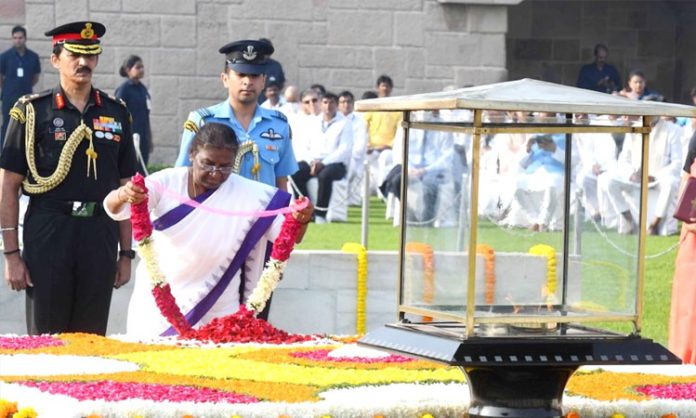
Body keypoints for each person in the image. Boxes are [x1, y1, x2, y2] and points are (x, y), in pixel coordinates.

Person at [105, 123, 313, 337]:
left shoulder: (250, 195)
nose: (215, 173)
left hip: (219, 305)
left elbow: (289, 237)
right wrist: (123, 194)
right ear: (192, 154)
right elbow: (115, 210)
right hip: (157, 306)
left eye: (225, 166)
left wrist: (302, 219)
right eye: (208, 163)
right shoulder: (166, 181)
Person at [0, 21, 138, 335]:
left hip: (99, 233)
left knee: (92, 339)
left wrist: (126, 254)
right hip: (49, 231)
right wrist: (11, 255)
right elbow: (8, 185)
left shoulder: (117, 113)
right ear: (55, 59)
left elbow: (126, 187)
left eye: (90, 56)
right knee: (46, 339)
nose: (83, 63)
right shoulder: (33, 112)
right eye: (74, 55)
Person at [175, 39, 297, 192]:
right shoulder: (202, 121)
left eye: (254, 76)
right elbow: (183, 175)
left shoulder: (279, 125)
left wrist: (281, 214)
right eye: (241, 75)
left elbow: (281, 181)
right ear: (225, 79)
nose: (247, 82)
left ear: (263, 81)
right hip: (215, 212)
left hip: (262, 213)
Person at [290, 92, 353, 223]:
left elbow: (344, 150)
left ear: (336, 105)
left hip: (335, 163)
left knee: (325, 176)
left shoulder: (345, 123)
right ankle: (307, 210)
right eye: (325, 102)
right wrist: (312, 162)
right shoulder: (312, 122)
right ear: (321, 104)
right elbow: (303, 146)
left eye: (331, 103)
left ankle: (320, 214)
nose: (328, 106)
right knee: (295, 172)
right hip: (313, 161)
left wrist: (323, 163)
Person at [669, 131, 696, 364]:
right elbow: (687, 176)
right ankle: (683, 356)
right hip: (692, 234)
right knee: (687, 297)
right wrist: (686, 216)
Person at [0, 25, 41, 144]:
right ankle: (4, 152)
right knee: (7, 124)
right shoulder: (4, 57)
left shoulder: (33, 57)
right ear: (12, 39)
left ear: (25, 38)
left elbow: (36, 77)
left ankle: (24, 152)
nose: (18, 40)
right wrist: (8, 87)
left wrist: (25, 86)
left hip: (26, 97)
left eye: (20, 37)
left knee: (26, 124)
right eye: (15, 38)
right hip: (9, 97)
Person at [115, 55, 151, 170]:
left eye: (142, 67)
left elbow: (146, 115)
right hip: (130, 137)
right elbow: (117, 114)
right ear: (128, 70)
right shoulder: (124, 90)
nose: (141, 70)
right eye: (138, 67)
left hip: (143, 136)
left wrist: (149, 137)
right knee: (131, 169)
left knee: (142, 168)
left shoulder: (142, 89)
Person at [257, 37, 285, 104]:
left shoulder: (276, 66)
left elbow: (281, 83)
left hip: (273, 103)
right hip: (256, 103)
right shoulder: (252, 66)